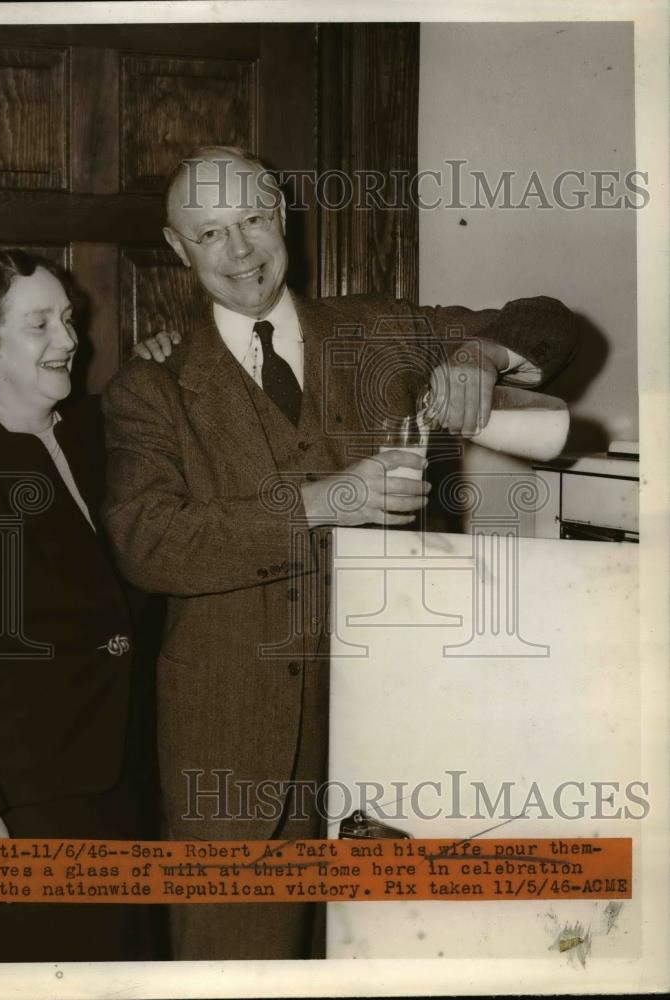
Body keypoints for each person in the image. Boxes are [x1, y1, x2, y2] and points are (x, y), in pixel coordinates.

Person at [100, 146, 580, 960]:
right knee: (233, 969)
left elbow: (550, 318)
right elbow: (151, 543)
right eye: (209, 233)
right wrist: (326, 501)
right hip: (231, 750)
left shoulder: (380, 332)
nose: (240, 250)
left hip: (396, 730)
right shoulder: (151, 389)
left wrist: (478, 355)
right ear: (178, 250)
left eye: (252, 219)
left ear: (281, 214)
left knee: (400, 957)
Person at [0, 249, 177, 962]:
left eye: (68, 319)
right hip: (21, 807)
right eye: (39, 325)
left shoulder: (99, 439)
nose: (69, 340)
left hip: (121, 790)